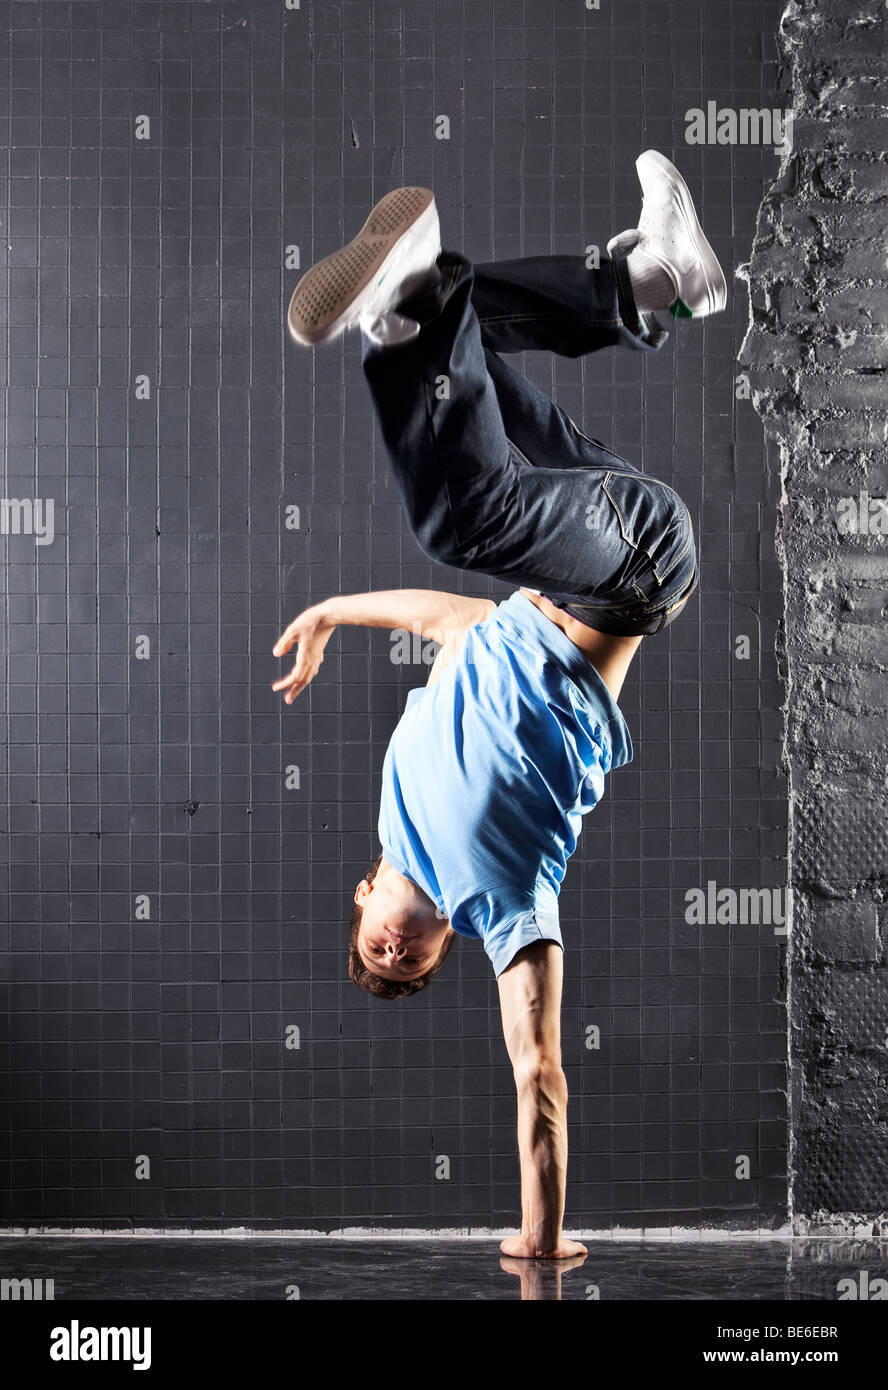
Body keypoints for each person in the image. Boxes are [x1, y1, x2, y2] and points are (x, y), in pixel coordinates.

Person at [274, 154, 726, 1259]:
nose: (391, 945)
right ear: (440, 951)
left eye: (373, 943)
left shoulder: (399, 794)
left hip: (579, 557)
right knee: (458, 518)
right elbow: (540, 1078)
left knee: (453, 326)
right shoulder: (503, 906)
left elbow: (454, 629)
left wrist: (338, 606)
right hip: (632, 571)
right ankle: (404, 319)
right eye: (406, 963)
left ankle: (648, 281)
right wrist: (540, 1241)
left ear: (365, 889)